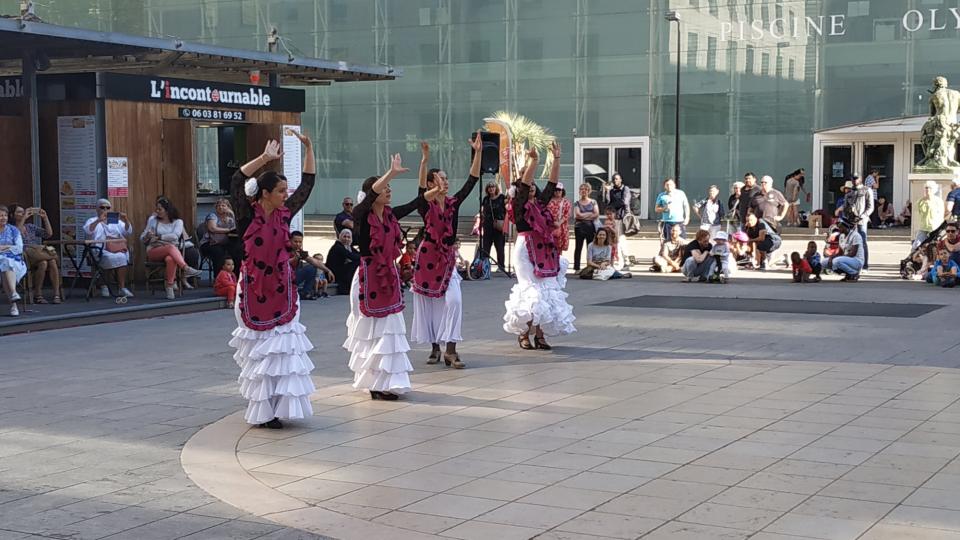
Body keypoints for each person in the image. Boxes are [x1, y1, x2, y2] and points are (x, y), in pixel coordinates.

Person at [230, 132, 317, 429]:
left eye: (285, 191)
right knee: (260, 352)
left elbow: (307, 185)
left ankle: (280, 406)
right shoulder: (245, 215)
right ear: (265, 193)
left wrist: (308, 148)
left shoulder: (284, 214)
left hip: (283, 288)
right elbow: (235, 182)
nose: (285, 194)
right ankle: (263, 410)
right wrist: (265, 159)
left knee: (284, 349)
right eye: (280, 190)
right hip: (253, 289)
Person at [344, 153, 421, 401]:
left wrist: (430, 186)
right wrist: (391, 171)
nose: (389, 190)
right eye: (385, 187)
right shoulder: (361, 216)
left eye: (390, 187)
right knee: (371, 332)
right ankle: (374, 382)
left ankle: (389, 381)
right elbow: (370, 196)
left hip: (388, 276)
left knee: (390, 330)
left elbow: (416, 202)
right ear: (372, 193)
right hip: (368, 277)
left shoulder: (390, 215)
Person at [411, 135, 482, 369]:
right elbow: (420, 191)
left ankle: (451, 350)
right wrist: (424, 161)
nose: (446, 182)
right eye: (441, 178)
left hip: (447, 258)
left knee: (454, 300)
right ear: (432, 184)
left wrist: (478, 153)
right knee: (430, 304)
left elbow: (472, 181)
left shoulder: (453, 203)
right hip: (427, 257)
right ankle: (435, 347)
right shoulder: (425, 204)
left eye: (446, 178)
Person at [504, 142, 576, 351]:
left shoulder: (540, 204)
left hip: (543, 248)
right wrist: (533, 161)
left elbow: (552, 184)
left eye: (534, 184)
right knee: (530, 292)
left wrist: (557, 158)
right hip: (525, 249)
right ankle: (524, 333)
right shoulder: (519, 205)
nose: (532, 186)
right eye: (529, 184)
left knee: (546, 291)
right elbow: (524, 186)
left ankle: (541, 335)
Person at [141, 197, 202, 300]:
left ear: (167, 210)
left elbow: (176, 236)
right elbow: (142, 237)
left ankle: (169, 287)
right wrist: (147, 235)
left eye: (160, 209)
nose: (157, 211)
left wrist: (159, 237)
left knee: (170, 259)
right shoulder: (153, 220)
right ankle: (186, 268)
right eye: (157, 209)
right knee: (171, 247)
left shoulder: (178, 222)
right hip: (154, 250)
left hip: (171, 251)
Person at [11, 204, 61, 304]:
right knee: (47, 260)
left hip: (37, 254)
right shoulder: (10, 228)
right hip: (24, 256)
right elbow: (17, 234)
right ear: (12, 215)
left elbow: (48, 234)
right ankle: (38, 293)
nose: (23, 214)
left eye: (23, 211)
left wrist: (45, 218)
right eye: (20, 212)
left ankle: (56, 293)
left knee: (48, 262)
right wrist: (24, 218)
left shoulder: (30, 227)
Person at [84, 198, 134, 298]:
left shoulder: (115, 221)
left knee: (122, 257)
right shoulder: (92, 220)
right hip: (99, 249)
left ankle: (122, 288)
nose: (105, 209)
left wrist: (126, 220)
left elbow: (128, 232)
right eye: (102, 207)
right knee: (108, 258)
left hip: (116, 248)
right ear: (97, 209)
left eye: (108, 207)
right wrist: (99, 220)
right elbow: (88, 231)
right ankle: (104, 285)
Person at [200, 198, 242, 277]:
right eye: (218, 206)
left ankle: (235, 277)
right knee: (219, 252)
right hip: (209, 243)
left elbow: (236, 229)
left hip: (224, 243)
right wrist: (227, 230)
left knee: (236, 251)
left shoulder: (230, 218)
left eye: (223, 205)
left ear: (228, 207)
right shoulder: (212, 216)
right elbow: (212, 228)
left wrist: (232, 214)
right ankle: (218, 278)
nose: (221, 207)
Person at [0, 206, 26, 317]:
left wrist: (3, 247)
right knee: (5, 265)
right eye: (0, 215)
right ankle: (14, 298)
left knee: (6, 264)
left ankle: (14, 302)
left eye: (5, 215)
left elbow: (19, 248)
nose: (3, 218)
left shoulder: (13, 230)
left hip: (14, 261)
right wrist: (10, 246)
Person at [289, 231, 330, 300]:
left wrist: (328, 270)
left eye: (300, 242)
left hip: (295, 276)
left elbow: (314, 261)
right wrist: (294, 258)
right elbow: (283, 263)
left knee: (312, 268)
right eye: (295, 242)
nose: (298, 244)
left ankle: (305, 293)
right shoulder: (284, 250)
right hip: (284, 277)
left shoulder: (300, 251)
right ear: (290, 241)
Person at [844, 174, 874, 270]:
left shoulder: (866, 190)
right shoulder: (849, 192)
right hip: (850, 221)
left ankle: (865, 265)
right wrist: (847, 216)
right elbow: (845, 207)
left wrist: (863, 216)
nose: (854, 180)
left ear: (860, 179)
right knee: (849, 242)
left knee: (863, 241)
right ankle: (851, 263)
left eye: (856, 179)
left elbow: (870, 207)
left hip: (861, 220)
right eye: (853, 179)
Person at [480, 181, 508, 275]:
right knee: (486, 246)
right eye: (489, 187)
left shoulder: (501, 198)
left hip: (498, 226)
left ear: (496, 188)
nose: (491, 189)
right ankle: (485, 266)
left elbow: (507, 209)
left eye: (493, 187)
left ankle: (501, 266)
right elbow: (483, 210)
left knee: (500, 247)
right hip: (488, 225)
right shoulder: (486, 199)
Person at [572, 182, 599, 271]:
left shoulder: (593, 202)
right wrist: (589, 214)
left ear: (589, 191)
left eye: (586, 189)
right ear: (579, 191)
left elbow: (596, 214)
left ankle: (590, 266)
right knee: (578, 247)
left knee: (590, 247)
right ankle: (577, 268)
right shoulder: (576, 203)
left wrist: (584, 215)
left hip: (590, 227)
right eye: (581, 189)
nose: (583, 191)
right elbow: (577, 215)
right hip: (579, 227)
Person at [327, 228, 359, 295]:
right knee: (355, 264)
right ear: (340, 237)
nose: (346, 239)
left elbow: (357, 255)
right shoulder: (338, 247)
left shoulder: (348, 247)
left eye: (348, 237)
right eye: (344, 237)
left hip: (342, 270)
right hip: (334, 272)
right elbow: (351, 256)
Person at [916, 181, 945, 248]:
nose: (927, 190)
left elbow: (941, 215)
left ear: (934, 190)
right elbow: (920, 213)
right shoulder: (921, 201)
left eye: (929, 188)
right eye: (926, 188)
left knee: (937, 246)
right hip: (923, 228)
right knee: (916, 246)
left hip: (934, 227)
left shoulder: (938, 201)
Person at [547, 183, 572, 255]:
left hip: (562, 226)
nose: (557, 191)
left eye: (559, 190)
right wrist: (552, 222)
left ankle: (558, 263)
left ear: (562, 191)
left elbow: (567, 214)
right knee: (549, 246)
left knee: (559, 247)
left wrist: (559, 223)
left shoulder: (566, 202)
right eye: (555, 190)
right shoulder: (548, 201)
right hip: (550, 226)